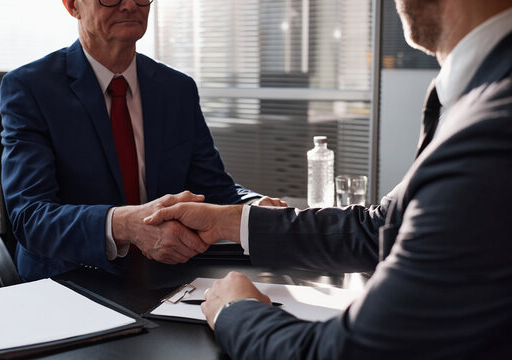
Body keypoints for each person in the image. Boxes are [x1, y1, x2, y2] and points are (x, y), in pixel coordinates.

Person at [145, 0, 512, 358]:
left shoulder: (491, 128)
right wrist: (228, 220)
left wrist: (236, 310)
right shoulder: (476, 95)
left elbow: (347, 351)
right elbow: (380, 228)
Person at [0, 0, 285, 282]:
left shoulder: (177, 89)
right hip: (72, 279)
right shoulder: (30, 88)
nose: (129, 5)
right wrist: (128, 225)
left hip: (171, 274)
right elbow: (31, 217)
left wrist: (254, 205)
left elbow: (214, 189)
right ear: (72, 5)